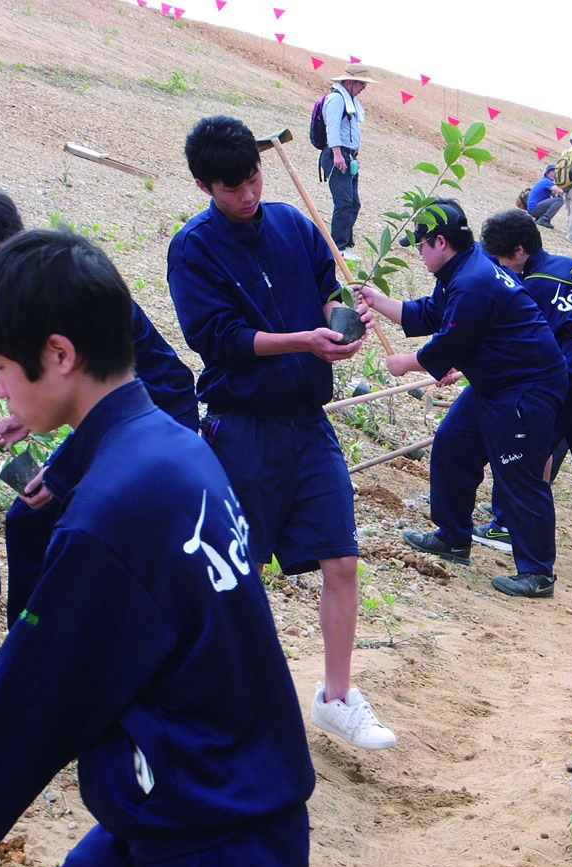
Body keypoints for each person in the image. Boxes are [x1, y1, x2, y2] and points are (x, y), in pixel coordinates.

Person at [0, 229, 316, 867]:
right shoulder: (169, 448)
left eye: (0, 364)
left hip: (216, 847)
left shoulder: (117, 509)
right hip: (154, 824)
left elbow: (40, 690)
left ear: (58, 353)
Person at [167, 115, 395, 750]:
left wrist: (340, 320)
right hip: (240, 427)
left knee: (342, 558)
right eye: (231, 187)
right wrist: (303, 340)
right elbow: (217, 341)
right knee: (237, 570)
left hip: (307, 423)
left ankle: (337, 696)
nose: (247, 194)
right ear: (202, 185)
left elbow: (326, 289)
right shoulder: (193, 249)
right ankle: (220, 698)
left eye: (253, 177)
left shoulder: (293, 224)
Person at [0, 187, 199, 671]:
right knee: (33, 519)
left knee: (78, 530)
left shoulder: (58, 287)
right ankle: (32, 652)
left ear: (12, 240)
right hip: (120, 421)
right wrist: (25, 416)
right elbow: (71, 386)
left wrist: (61, 474)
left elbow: (112, 399)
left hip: (156, 416)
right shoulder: (28, 287)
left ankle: (63, 661)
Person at [357, 201, 567, 599]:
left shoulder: (473, 281)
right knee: (453, 445)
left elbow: (447, 344)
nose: (418, 254)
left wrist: (404, 363)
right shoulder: (461, 269)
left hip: (527, 387)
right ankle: (453, 537)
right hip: (494, 383)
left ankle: (537, 572)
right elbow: (427, 315)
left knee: (518, 474)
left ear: (440, 241)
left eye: (420, 246)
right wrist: (375, 299)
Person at [0, 188, 198, 436]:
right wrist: (29, 417)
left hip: (162, 413)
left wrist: (67, 464)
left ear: (13, 242)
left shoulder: (67, 293)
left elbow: (105, 400)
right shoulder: (29, 295)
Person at [480, 210, 572, 586]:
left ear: (518, 251)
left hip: (566, 378)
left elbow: (524, 343)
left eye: (500, 258)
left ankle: (505, 525)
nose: (499, 265)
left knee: (525, 453)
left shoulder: (532, 284)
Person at [319, 64, 376, 262]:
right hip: (339, 155)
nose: (364, 88)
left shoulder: (348, 100)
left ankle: (346, 244)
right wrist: (337, 154)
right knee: (343, 202)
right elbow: (332, 128)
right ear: (350, 82)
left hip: (349, 156)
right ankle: (338, 247)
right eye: (361, 83)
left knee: (353, 203)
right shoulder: (336, 99)